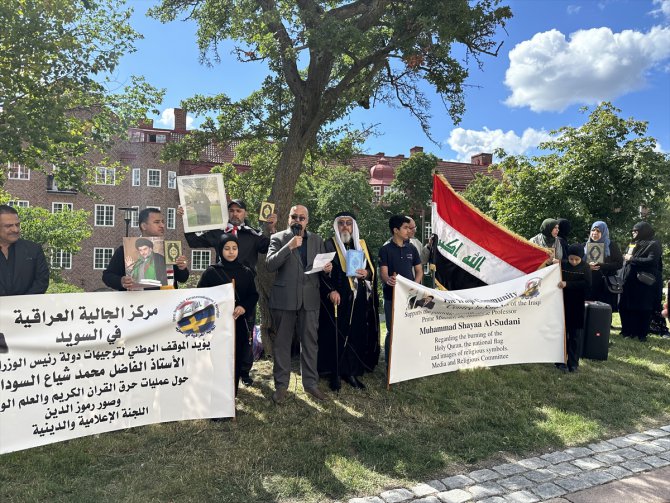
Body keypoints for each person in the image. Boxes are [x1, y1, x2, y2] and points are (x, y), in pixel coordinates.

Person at [183, 199, 277, 385]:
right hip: (221, 291)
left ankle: (244, 371)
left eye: (239, 210)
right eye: (232, 210)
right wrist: (186, 217)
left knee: (246, 332)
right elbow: (193, 240)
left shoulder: (252, 234)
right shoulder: (218, 232)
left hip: (245, 292)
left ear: (245, 213)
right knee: (220, 331)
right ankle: (220, 368)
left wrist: (272, 228)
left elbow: (269, 247)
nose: (235, 214)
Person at [265, 204, 333, 404]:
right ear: (288, 218)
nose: (297, 220)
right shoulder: (278, 238)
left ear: (307, 221)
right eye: (294, 217)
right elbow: (270, 265)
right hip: (284, 299)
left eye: (301, 218)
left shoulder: (317, 240)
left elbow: (321, 268)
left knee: (310, 343)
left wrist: (327, 269)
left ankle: (310, 384)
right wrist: (289, 246)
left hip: (310, 299)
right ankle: (281, 386)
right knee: (282, 344)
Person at [318, 212, 380, 391]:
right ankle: (335, 373)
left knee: (355, 334)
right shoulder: (328, 244)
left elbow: (371, 270)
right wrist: (331, 290)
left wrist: (366, 273)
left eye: (348, 223)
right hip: (337, 298)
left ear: (353, 227)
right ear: (336, 226)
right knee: (336, 335)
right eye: (341, 223)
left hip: (357, 299)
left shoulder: (361, 245)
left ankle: (351, 372)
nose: (345, 226)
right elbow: (322, 271)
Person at [198, 233, 258, 395]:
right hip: (216, 326)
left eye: (234, 248)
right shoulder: (211, 272)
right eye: (227, 248)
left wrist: (243, 307)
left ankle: (231, 396)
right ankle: (217, 396)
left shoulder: (246, 272)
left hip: (238, 325)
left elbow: (253, 295)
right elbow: (200, 297)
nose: (231, 252)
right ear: (220, 250)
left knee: (235, 360)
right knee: (218, 361)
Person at [103, 208, 189, 291]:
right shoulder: (124, 250)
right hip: (136, 299)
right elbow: (107, 276)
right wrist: (121, 281)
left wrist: (182, 268)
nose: (162, 225)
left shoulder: (170, 249)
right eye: (157, 222)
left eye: (163, 222)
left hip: (165, 299)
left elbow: (182, 279)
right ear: (144, 226)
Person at [379, 215, 423, 370]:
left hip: (410, 298)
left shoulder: (412, 248)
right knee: (392, 331)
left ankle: (408, 363)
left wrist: (414, 285)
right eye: (405, 228)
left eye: (409, 228)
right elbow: (383, 273)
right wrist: (388, 279)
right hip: (391, 297)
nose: (409, 230)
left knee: (410, 330)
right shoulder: (385, 249)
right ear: (395, 230)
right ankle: (390, 366)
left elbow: (419, 270)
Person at [619, 221, 662, 342]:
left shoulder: (654, 244)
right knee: (626, 306)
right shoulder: (633, 244)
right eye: (633, 231)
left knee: (643, 308)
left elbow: (652, 260)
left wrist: (632, 258)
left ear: (643, 231)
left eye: (636, 231)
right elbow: (627, 258)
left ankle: (641, 333)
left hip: (644, 283)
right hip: (629, 281)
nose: (633, 233)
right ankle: (627, 331)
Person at [0, 205, 49, 296]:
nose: (15, 229)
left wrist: (23, 302)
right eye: (8, 226)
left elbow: (41, 282)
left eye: (17, 225)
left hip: (27, 304)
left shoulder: (34, 249)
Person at [557, 244, 591, 373]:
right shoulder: (563, 265)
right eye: (571, 259)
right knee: (562, 333)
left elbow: (587, 284)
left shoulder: (585, 267)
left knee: (575, 335)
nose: (574, 262)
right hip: (563, 303)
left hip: (577, 304)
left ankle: (573, 363)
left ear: (581, 257)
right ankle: (560, 361)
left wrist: (568, 284)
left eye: (577, 259)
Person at [583, 221, 623, 312]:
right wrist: (587, 266)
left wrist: (602, 266)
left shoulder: (611, 245)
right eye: (593, 230)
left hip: (605, 285)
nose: (595, 233)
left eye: (598, 231)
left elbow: (619, 264)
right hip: (590, 284)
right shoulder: (585, 245)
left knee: (603, 312)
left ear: (604, 232)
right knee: (589, 311)